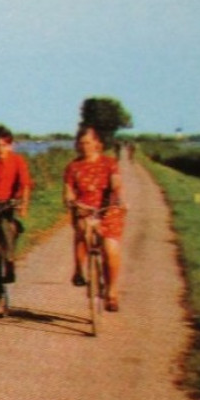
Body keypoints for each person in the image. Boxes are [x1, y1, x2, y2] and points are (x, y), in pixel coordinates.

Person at [65, 125, 127, 311]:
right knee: (82, 231)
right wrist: (71, 202)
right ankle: (79, 270)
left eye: (89, 143)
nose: (85, 147)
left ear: (98, 144)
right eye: (81, 143)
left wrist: (116, 198)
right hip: (84, 209)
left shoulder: (109, 163)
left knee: (110, 248)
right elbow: (68, 191)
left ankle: (112, 292)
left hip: (108, 210)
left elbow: (116, 184)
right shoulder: (73, 167)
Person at [0, 126, 31, 282]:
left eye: (4, 145)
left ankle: (9, 262)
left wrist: (23, 205)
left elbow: (25, 184)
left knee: (5, 230)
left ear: (10, 145)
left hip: (7, 203)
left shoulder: (17, 161)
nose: (0, 149)